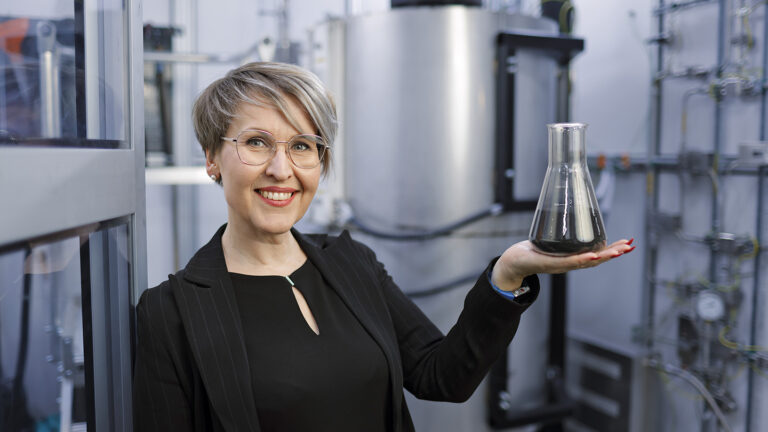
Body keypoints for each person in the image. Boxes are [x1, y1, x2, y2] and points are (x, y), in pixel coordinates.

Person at [132, 62, 635, 432]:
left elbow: (443, 377)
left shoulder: (352, 263)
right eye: (257, 142)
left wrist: (506, 273)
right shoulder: (171, 313)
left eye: (303, 146)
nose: (281, 170)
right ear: (213, 158)